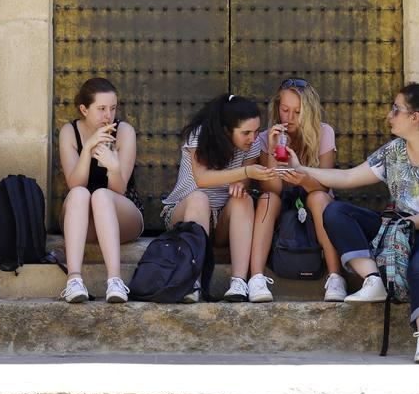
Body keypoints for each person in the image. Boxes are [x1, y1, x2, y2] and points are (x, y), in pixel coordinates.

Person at [286, 82, 419, 364]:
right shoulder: (394, 151)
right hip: (401, 230)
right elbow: (349, 178)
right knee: (336, 211)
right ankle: (372, 279)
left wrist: (408, 224)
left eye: (396, 109)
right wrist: (300, 169)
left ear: (416, 117)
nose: (389, 115)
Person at [161, 93, 276, 302]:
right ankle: (192, 282)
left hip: (221, 221)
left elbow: (244, 183)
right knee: (199, 198)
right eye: (246, 133)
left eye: (257, 131)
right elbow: (202, 179)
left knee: (244, 199)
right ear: (226, 131)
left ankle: (239, 282)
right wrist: (246, 174)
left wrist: (241, 185)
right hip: (186, 216)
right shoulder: (199, 135)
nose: (253, 138)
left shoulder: (253, 144)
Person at [247, 77, 346, 303]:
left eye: (297, 112)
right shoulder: (265, 137)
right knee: (267, 198)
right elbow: (271, 187)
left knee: (319, 198)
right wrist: (272, 151)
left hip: (313, 201)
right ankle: (256, 278)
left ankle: (335, 277)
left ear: (309, 112)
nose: (289, 118)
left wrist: (300, 177)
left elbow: (325, 183)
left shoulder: (324, 132)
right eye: (284, 110)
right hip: (281, 203)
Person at [58, 76, 143, 304]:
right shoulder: (69, 132)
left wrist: (113, 167)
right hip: (82, 220)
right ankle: (74, 280)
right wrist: (87, 149)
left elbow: (120, 189)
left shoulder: (124, 131)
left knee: (102, 195)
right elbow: (74, 183)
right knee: (80, 193)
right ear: (84, 109)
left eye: (113, 108)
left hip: (120, 215)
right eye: (101, 109)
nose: (108, 116)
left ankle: (115, 281)